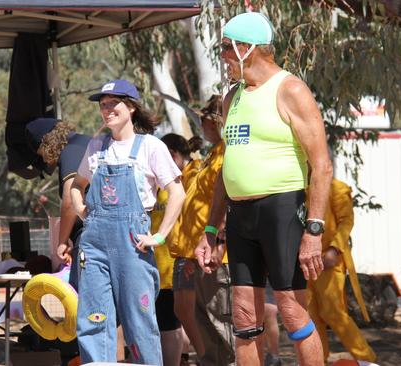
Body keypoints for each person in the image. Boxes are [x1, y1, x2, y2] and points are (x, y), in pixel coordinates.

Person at [195, 12, 333, 366]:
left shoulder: (290, 90)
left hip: (282, 212)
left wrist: (314, 229)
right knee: (243, 317)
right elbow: (229, 168)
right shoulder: (232, 98)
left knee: (291, 312)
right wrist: (210, 229)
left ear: (247, 48)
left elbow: (321, 165)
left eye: (226, 48)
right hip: (241, 217)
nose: (222, 56)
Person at [70, 79, 185, 364]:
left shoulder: (150, 147)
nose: (107, 110)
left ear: (131, 107)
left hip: (134, 246)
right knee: (93, 319)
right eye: (103, 105)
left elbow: (177, 193)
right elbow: (76, 184)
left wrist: (159, 236)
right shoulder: (96, 146)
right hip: (94, 246)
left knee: (139, 320)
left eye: (113, 104)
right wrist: (83, 212)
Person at [170, 95, 236, 366]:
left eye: (206, 118)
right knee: (206, 330)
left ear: (219, 120)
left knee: (224, 328)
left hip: (218, 257)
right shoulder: (213, 154)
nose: (202, 123)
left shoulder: (229, 153)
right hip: (199, 256)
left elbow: (228, 201)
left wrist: (219, 241)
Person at [307, 178, 377, 363]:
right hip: (303, 262)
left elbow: (346, 222)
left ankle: (367, 360)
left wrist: (334, 249)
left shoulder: (336, 187)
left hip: (328, 261)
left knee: (333, 313)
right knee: (309, 317)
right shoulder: (294, 187)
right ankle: (316, 361)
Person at [20, 117, 92, 286]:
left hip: (89, 238)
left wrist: (62, 241)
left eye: (41, 154)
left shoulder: (71, 150)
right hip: (103, 235)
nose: (44, 161)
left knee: (84, 299)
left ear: (46, 144)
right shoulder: (86, 142)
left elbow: (70, 198)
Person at [153, 133, 202, 366]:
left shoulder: (193, 177)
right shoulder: (161, 182)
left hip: (182, 265)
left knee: (180, 322)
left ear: (172, 155)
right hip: (159, 270)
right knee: (170, 322)